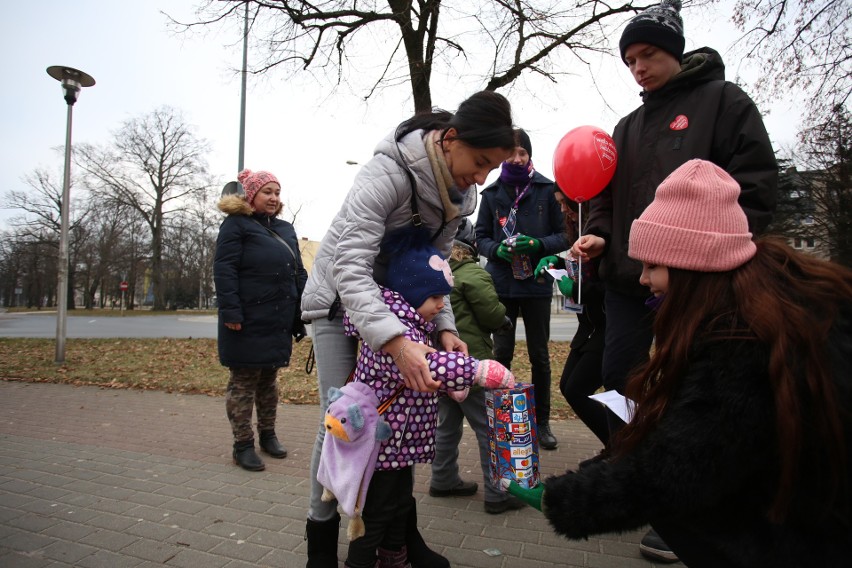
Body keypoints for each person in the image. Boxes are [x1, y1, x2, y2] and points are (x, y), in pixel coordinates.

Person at [509, 159, 852, 568]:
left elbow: (678, 469)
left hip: (814, 537)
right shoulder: (767, 300)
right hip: (813, 498)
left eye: (652, 266)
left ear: (695, 266)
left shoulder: (741, 340)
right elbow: (684, 425)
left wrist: (564, 500)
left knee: (684, 511)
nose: (642, 279)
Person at [572, 0, 778, 559]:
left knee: (689, 390)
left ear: (676, 52)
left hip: (698, 285)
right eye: (629, 59)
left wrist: (721, 254)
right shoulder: (627, 125)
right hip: (625, 280)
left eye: (649, 54)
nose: (638, 67)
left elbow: (757, 187)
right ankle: (644, 479)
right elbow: (606, 196)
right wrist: (600, 234)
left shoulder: (725, 104)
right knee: (618, 381)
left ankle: (683, 505)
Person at [299, 90, 516, 568]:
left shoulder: (456, 194)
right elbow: (351, 267)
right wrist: (397, 343)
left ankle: (398, 535)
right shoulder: (387, 173)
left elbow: (434, 270)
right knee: (340, 421)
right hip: (340, 302)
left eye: (489, 171)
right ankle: (320, 545)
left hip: (398, 306)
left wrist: (442, 328)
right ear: (450, 139)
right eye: (478, 162)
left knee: (395, 426)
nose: (479, 179)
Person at [340, 229, 516, 568]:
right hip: (382, 444)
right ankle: (359, 563)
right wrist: (480, 372)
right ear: (408, 293)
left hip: (398, 443)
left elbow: (421, 378)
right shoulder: (393, 332)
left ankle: (395, 558)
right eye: (434, 296)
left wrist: (449, 384)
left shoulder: (415, 323)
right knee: (378, 512)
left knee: (400, 504)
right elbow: (430, 364)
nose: (441, 304)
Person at [475, 128, 568, 450]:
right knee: (502, 355)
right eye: (511, 153)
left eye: (522, 153)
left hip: (537, 284)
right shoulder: (491, 195)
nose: (517, 159)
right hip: (501, 286)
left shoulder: (547, 189)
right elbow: (480, 236)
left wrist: (538, 244)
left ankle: (541, 423)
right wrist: (495, 250)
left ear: (530, 156)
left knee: (540, 356)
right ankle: (501, 419)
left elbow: (564, 234)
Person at [429, 219, 528, 514]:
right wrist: (503, 320)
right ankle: (498, 494)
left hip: (443, 366)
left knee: (446, 426)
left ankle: (442, 479)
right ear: (471, 245)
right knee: (490, 428)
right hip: (471, 366)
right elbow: (490, 312)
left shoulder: (436, 273)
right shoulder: (473, 273)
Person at [213, 168, 308, 472]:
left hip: (277, 317)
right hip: (246, 318)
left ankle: (268, 434)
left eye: (277, 193)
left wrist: (302, 310)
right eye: (267, 192)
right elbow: (224, 270)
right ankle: (242, 444)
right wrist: (231, 312)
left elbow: (298, 272)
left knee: (269, 380)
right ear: (251, 195)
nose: (274, 198)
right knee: (243, 383)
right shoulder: (235, 226)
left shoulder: (285, 229)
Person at [535, 190, 608, 445]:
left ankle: (618, 447)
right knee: (568, 387)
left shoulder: (605, 230)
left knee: (579, 389)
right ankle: (616, 447)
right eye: (558, 203)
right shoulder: (577, 228)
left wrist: (578, 290)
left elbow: (611, 281)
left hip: (610, 327)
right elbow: (578, 264)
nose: (563, 209)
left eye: (565, 203)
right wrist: (557, 261)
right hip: (588, 326)